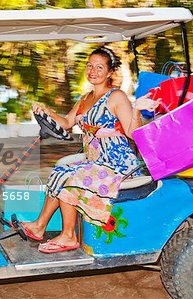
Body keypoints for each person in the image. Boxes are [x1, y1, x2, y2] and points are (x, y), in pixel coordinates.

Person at [27, 47, 159, 253]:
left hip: (117, 164)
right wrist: (47, 111)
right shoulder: (85, 99)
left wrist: (136, 109)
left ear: (109, 72)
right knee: (59, 171)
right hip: (96, 162)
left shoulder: (116, 97)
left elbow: (134, 133)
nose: (93, 70)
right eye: (90, 66)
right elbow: (67, 123)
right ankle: (39, 226)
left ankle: (68, 236)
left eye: (99, 67)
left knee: (69, 177)